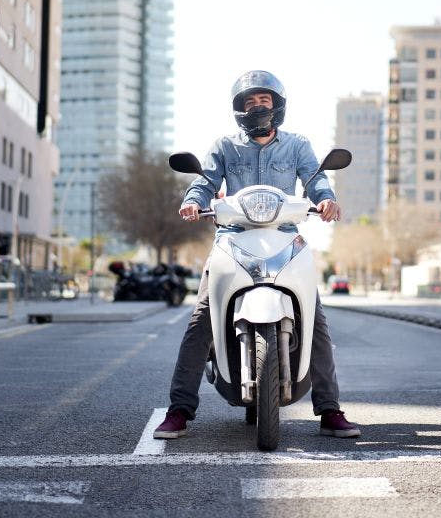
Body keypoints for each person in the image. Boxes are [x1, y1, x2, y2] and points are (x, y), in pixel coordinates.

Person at [154, 70, 360, 440]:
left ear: (277, 105)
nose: (257, 107)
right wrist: (192, 202)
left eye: (263, 101)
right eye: (249, 102)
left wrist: (325, 199)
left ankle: (330, 410)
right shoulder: (224, 146)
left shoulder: (297, 145)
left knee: (316, 323)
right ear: (239, 110)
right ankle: (179, 411)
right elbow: (204, 181)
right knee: (201, 323)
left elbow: (317, 178)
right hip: (233, 239)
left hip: (284, 239)